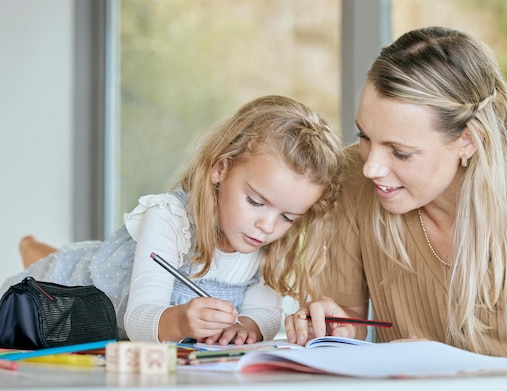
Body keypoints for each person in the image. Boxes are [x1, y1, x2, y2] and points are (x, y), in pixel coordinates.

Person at [285, 26, 507, 366]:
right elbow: (347, 326)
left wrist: (439, 370)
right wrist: (331, 327)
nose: (372, 167)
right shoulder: (355, 175)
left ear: (469, 140)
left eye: (400, 152)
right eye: (365, 136)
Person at [3, 95, 344, 346]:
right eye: (256, 201)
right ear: (220, 168)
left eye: (287, 216)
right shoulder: (168, 217)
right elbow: (138, 321)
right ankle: (33, 251)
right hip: (70, 291)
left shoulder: (269, 241)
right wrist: (180, 319)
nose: (268, 226)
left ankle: (34, 248)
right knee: (27, 297)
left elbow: (265, 313)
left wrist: (250, 326)